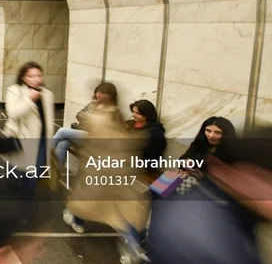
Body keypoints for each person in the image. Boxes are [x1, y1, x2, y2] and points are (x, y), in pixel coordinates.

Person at [148, 128, 272, 264]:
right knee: (158, 187)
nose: (211, 135)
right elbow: (183, 161)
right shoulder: (199, 146)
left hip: (196, 188)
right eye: (208, 130)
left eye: (217, 132)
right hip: (189, 186)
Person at [62, 93, 149, 263]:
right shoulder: (121, 121)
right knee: (123, 213)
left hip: (100, 173)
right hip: (119, 174)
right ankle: (132, 244)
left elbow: (88, 137)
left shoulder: (100, 119)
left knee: (87, 202)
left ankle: (76, 219)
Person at [1, 62, 54, 201]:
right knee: (15, 176)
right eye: (31, 76)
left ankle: (26, 207)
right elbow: (13, 113)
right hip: (20, 139)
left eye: (39, 75)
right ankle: (13, 184)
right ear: (23, 77)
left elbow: (48, 120)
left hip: (41, 140)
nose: (36, 79)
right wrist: (29, 99)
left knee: (32, 175)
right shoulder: (15, 91)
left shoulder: (47, 94)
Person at [51, 83, 117, 164]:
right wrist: (90, 118)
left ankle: (45, 152)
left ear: (110, 95)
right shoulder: (93, 104)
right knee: (62, 143)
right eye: (97, 92)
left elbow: (97, 126)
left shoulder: (111, 109)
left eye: (102, 92)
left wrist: (88, 119)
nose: (99, 94)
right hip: (83, 133)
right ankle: (54, 173)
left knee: (62, 131)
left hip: (94, 138)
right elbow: (79, 115)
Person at [129, 99, 167, 171]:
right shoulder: (132, 123)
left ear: (147, 115)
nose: (133, 115)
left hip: (142, 166)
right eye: (133, 112)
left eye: (138, 113)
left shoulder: (154, 131)